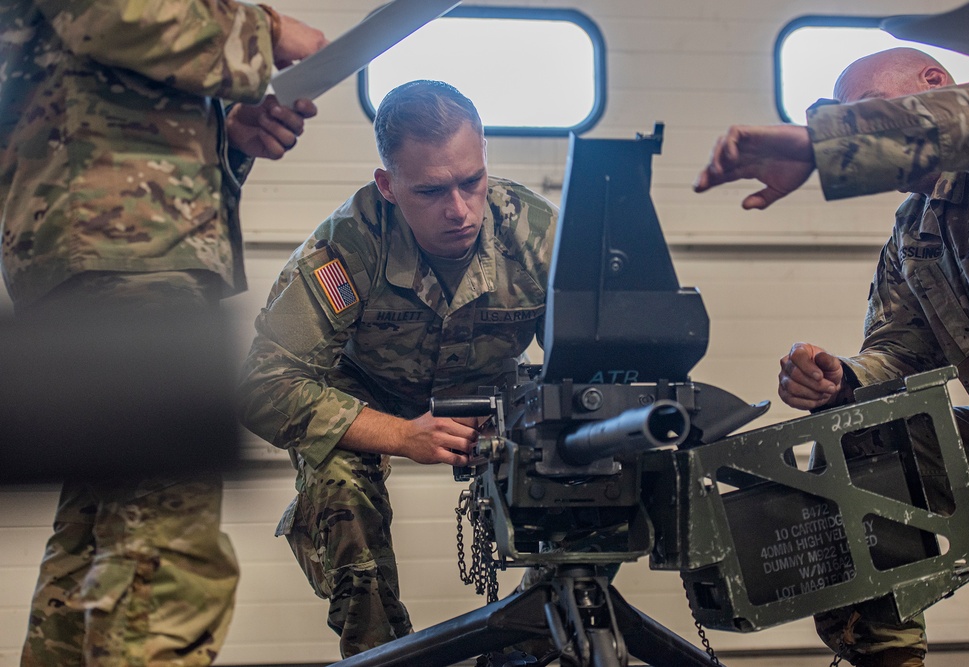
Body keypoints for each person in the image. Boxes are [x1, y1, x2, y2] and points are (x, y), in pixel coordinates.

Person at [1, 1, 328, 664]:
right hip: (123, 247)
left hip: (107, 241)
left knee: (98, 534)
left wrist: (226, 138)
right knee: (164, 546)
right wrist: (261, 32)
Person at [693, 48, 969, 667]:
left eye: (865, 114)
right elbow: (899, 353)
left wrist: (821, 144)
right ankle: (885, 658)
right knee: (864, 432)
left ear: (934, 86)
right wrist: (842, 377)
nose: (860, 132)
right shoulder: (916, 230)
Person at [237, 79, 559, 658]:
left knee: (598, 456)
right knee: (340, 491)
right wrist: (400, 436)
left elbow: (595, 355)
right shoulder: (348, 247)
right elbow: (263, 386)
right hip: (370, 397)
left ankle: (533, 642)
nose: (458, 210)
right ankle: (381, 654)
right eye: (431, 191)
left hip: (494, 399)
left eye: (471, 182)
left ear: (485, 157)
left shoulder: (537, 234)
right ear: (388, 186)